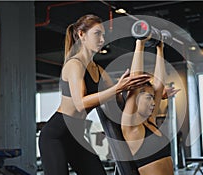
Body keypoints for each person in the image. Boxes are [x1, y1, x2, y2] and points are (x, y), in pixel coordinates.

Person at [38, 14, 150, 175]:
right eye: (97, 34)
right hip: (56, 136)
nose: (102, 39)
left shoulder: (98, 69)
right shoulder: (74, 64)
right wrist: (117, 88)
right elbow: (80, 103)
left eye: (103, 35)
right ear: (82, 35)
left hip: (76, 136)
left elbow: (120, 97)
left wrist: (153, 92)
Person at [121, 37, 179, 175]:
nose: (154, 102)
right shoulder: (132, 128)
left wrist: (160, 48)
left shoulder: (150, 123)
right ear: (135, 100)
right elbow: (134, 84)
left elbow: (159, 86)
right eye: (148, 98)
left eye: (153, 98)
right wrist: (139, 44)